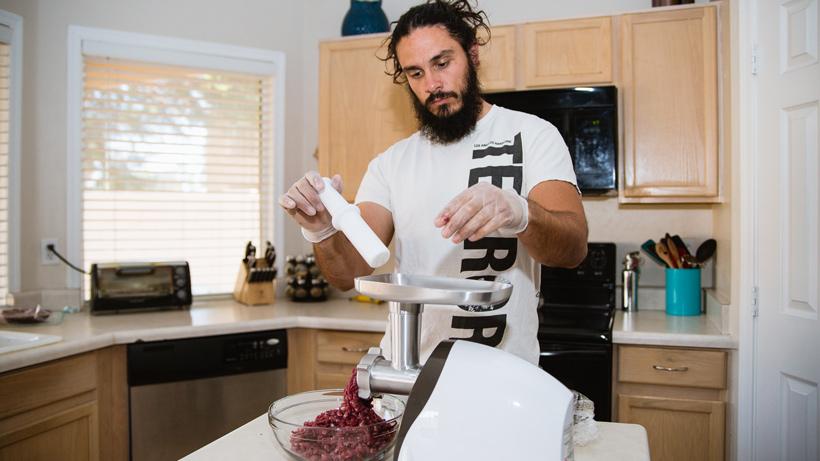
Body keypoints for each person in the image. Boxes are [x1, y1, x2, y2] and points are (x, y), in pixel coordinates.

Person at [279, 0, 588, 365]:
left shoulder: (532, 135)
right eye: (415, 73)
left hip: (502, 380)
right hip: (409, 376)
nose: (432, 84)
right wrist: (321, 232)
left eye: (442, 63)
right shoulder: (390, 164)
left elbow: (572, 248)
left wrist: (519, 211)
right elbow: (348, 273)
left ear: (472, 55)